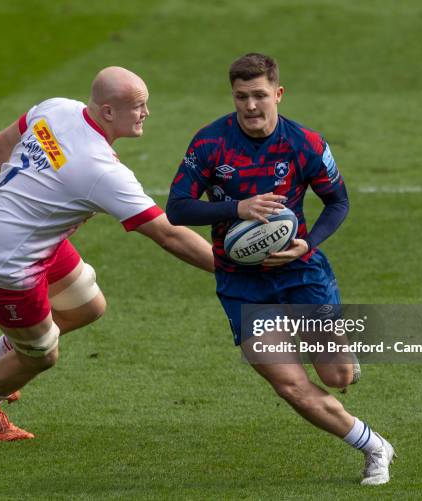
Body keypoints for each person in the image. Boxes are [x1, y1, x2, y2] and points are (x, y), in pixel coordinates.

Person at [166, 53, 395, 486]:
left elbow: (338, 202)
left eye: (258, 95)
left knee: (338, 376)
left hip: (300, 271)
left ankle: (344, 358)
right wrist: (237, 207)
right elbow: (176, 209)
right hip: (241, 283)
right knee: (289, 386)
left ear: (278, 93)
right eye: (240, 97)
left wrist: (308, 243)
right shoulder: (209, 143)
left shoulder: (306, 143)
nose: (250, 106)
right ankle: (373, 447)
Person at [0, 66, 214, 441]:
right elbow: (168, 235)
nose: (147, 113)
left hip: (31, 243)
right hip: (3, 265)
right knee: (42, 354)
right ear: (108, 112)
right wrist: (228, 268)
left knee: (87, 306)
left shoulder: (56, 109)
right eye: (138, 106)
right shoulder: (100, 170)